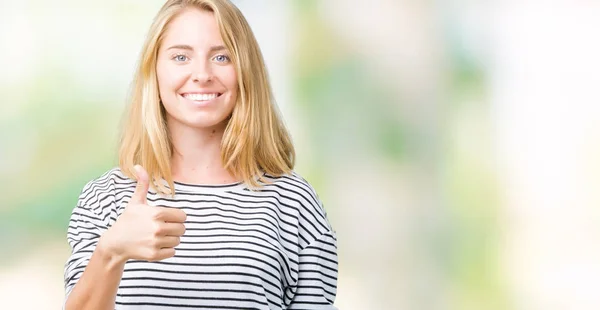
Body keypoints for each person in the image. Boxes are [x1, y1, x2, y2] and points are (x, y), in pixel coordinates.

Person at [62, 0, 338, 309]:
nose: (202, 74)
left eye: (221, 57)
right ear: (154, 70)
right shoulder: (106, 198)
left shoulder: (294, 202)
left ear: (246, 71)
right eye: (181, 57)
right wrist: (111, 252)